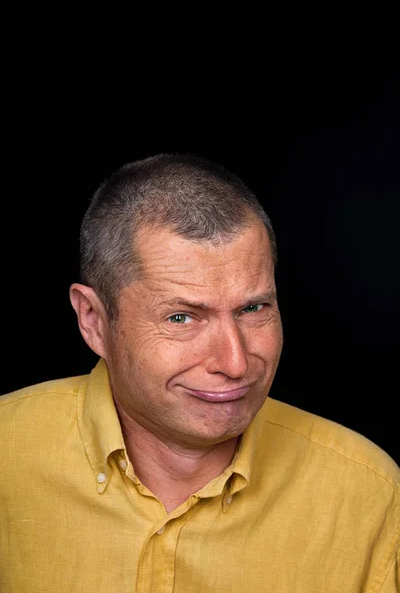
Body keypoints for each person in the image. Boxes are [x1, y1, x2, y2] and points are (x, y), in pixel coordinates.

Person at [1, 154, 399, 592]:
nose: (236, 363)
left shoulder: (370, 493)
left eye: (253, 308)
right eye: (181, 318)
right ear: (94, 320)